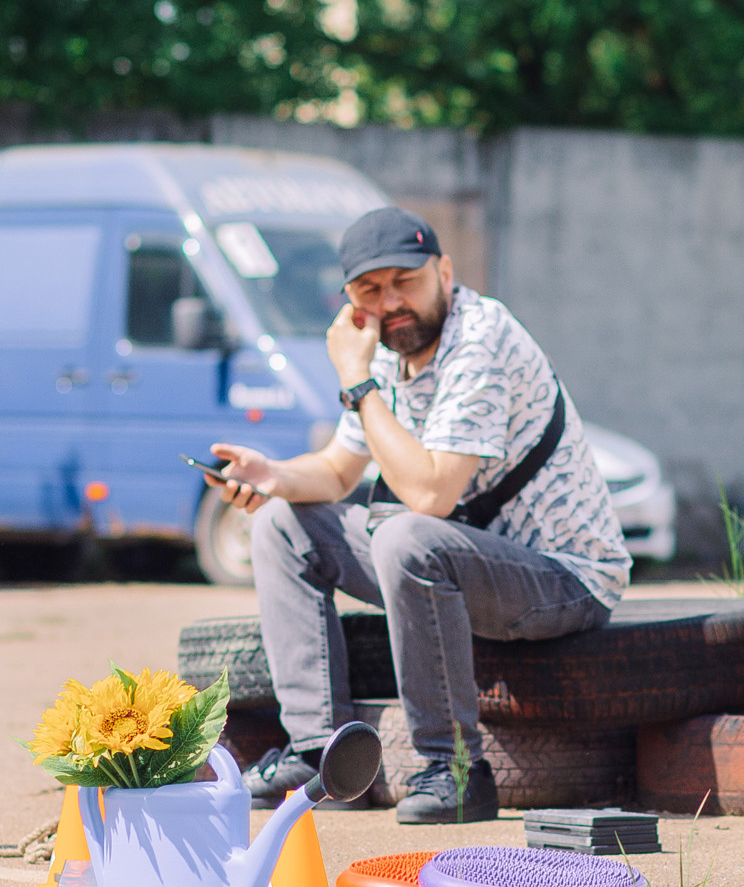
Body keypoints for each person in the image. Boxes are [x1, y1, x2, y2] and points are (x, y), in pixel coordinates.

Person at [207, 207, 630, 823]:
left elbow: (430, 496)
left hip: (564, 579)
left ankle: (454, 771)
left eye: (405, 280)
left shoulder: (481, 340)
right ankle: (320, 756)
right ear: (349, 299)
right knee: (281, 522)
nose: (391, 301)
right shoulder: (382, 352)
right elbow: (337, 472)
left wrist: (356, 382)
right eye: (370, 290)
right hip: (471, 568)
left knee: (407, 536)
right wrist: (271, 476)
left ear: (445, 271)